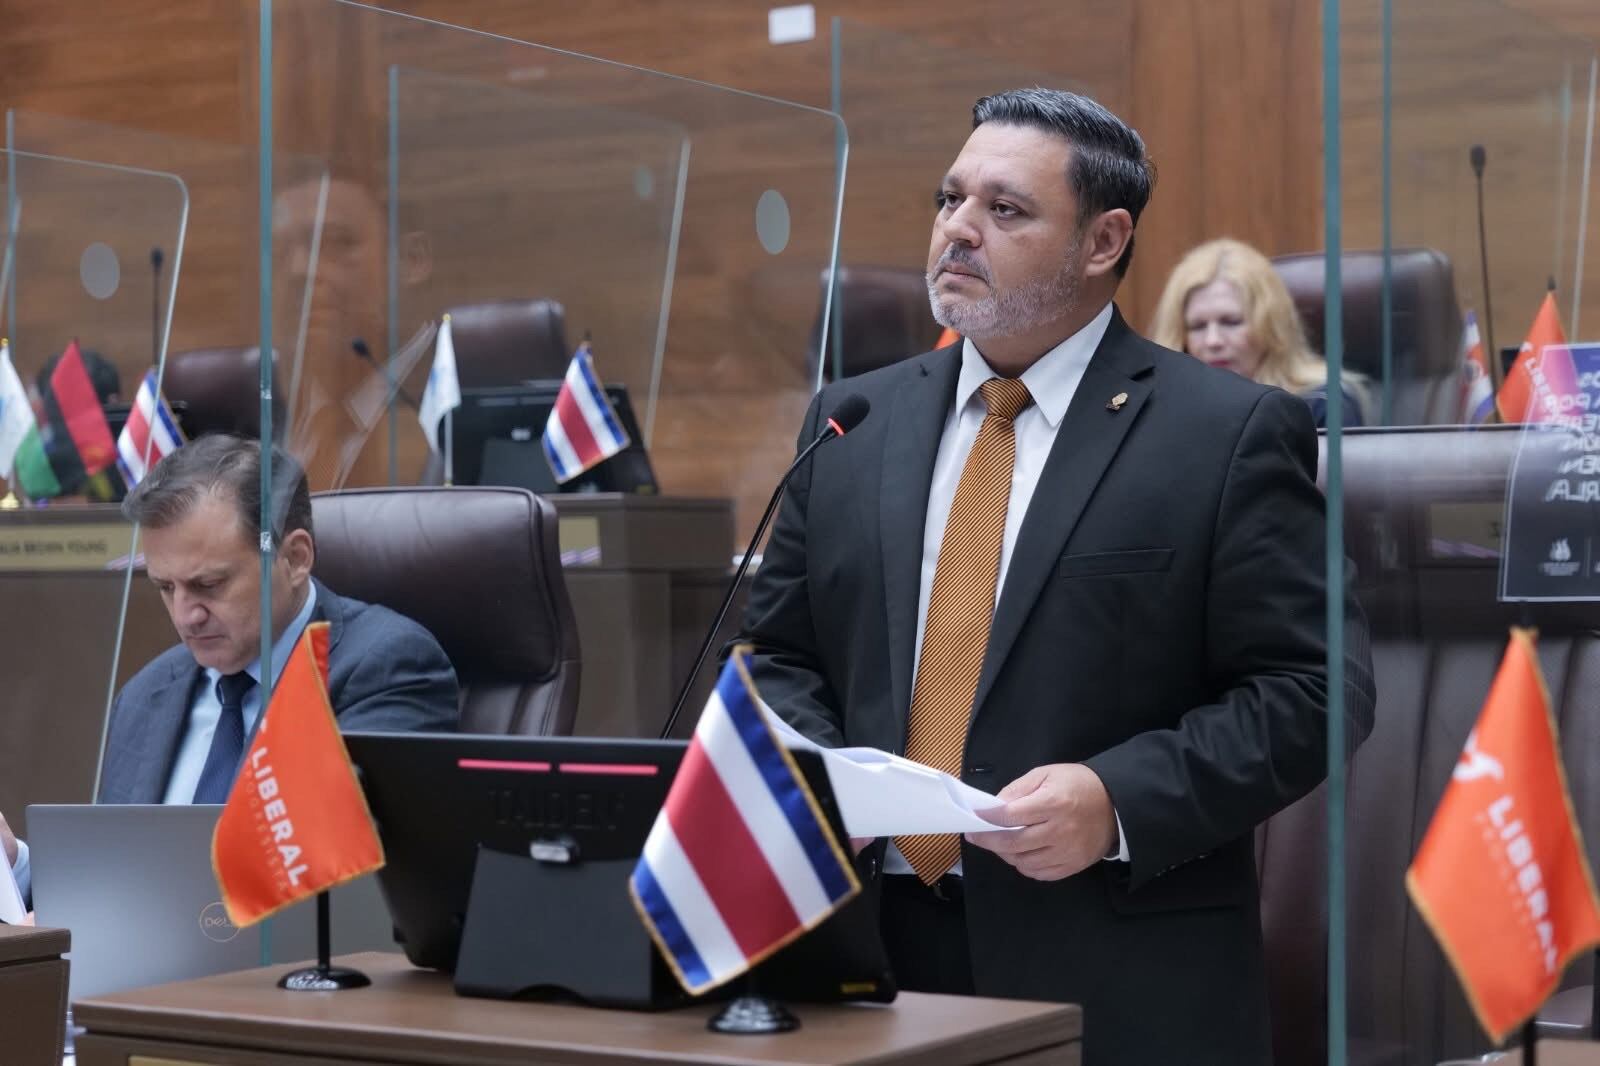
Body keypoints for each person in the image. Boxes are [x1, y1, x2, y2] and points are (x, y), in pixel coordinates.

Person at [742, 88, 1375, 1065]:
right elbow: (774, 655)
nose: (957, 229)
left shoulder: (1224, 435)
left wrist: (1116, 798)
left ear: (1101, 241)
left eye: (1004, 210)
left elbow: (1316, 691)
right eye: (950, 199)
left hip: (1109, 976)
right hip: (860, 959)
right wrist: (831, 790)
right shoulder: (849, 423)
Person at [3, 433, 459, 907]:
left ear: (296, 558)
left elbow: (329, 885)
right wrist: (17, 865)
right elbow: (119, 872)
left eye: (208, 585)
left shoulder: (383, 669)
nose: (185, 615)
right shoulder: (147, 694)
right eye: (165, 587)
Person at [1149, 236, 1370, 428]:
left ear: (1270, 327)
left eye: (1231, 322)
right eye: (1197, 326)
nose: (1213, 341)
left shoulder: (1322, 403)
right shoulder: (1160, 408)